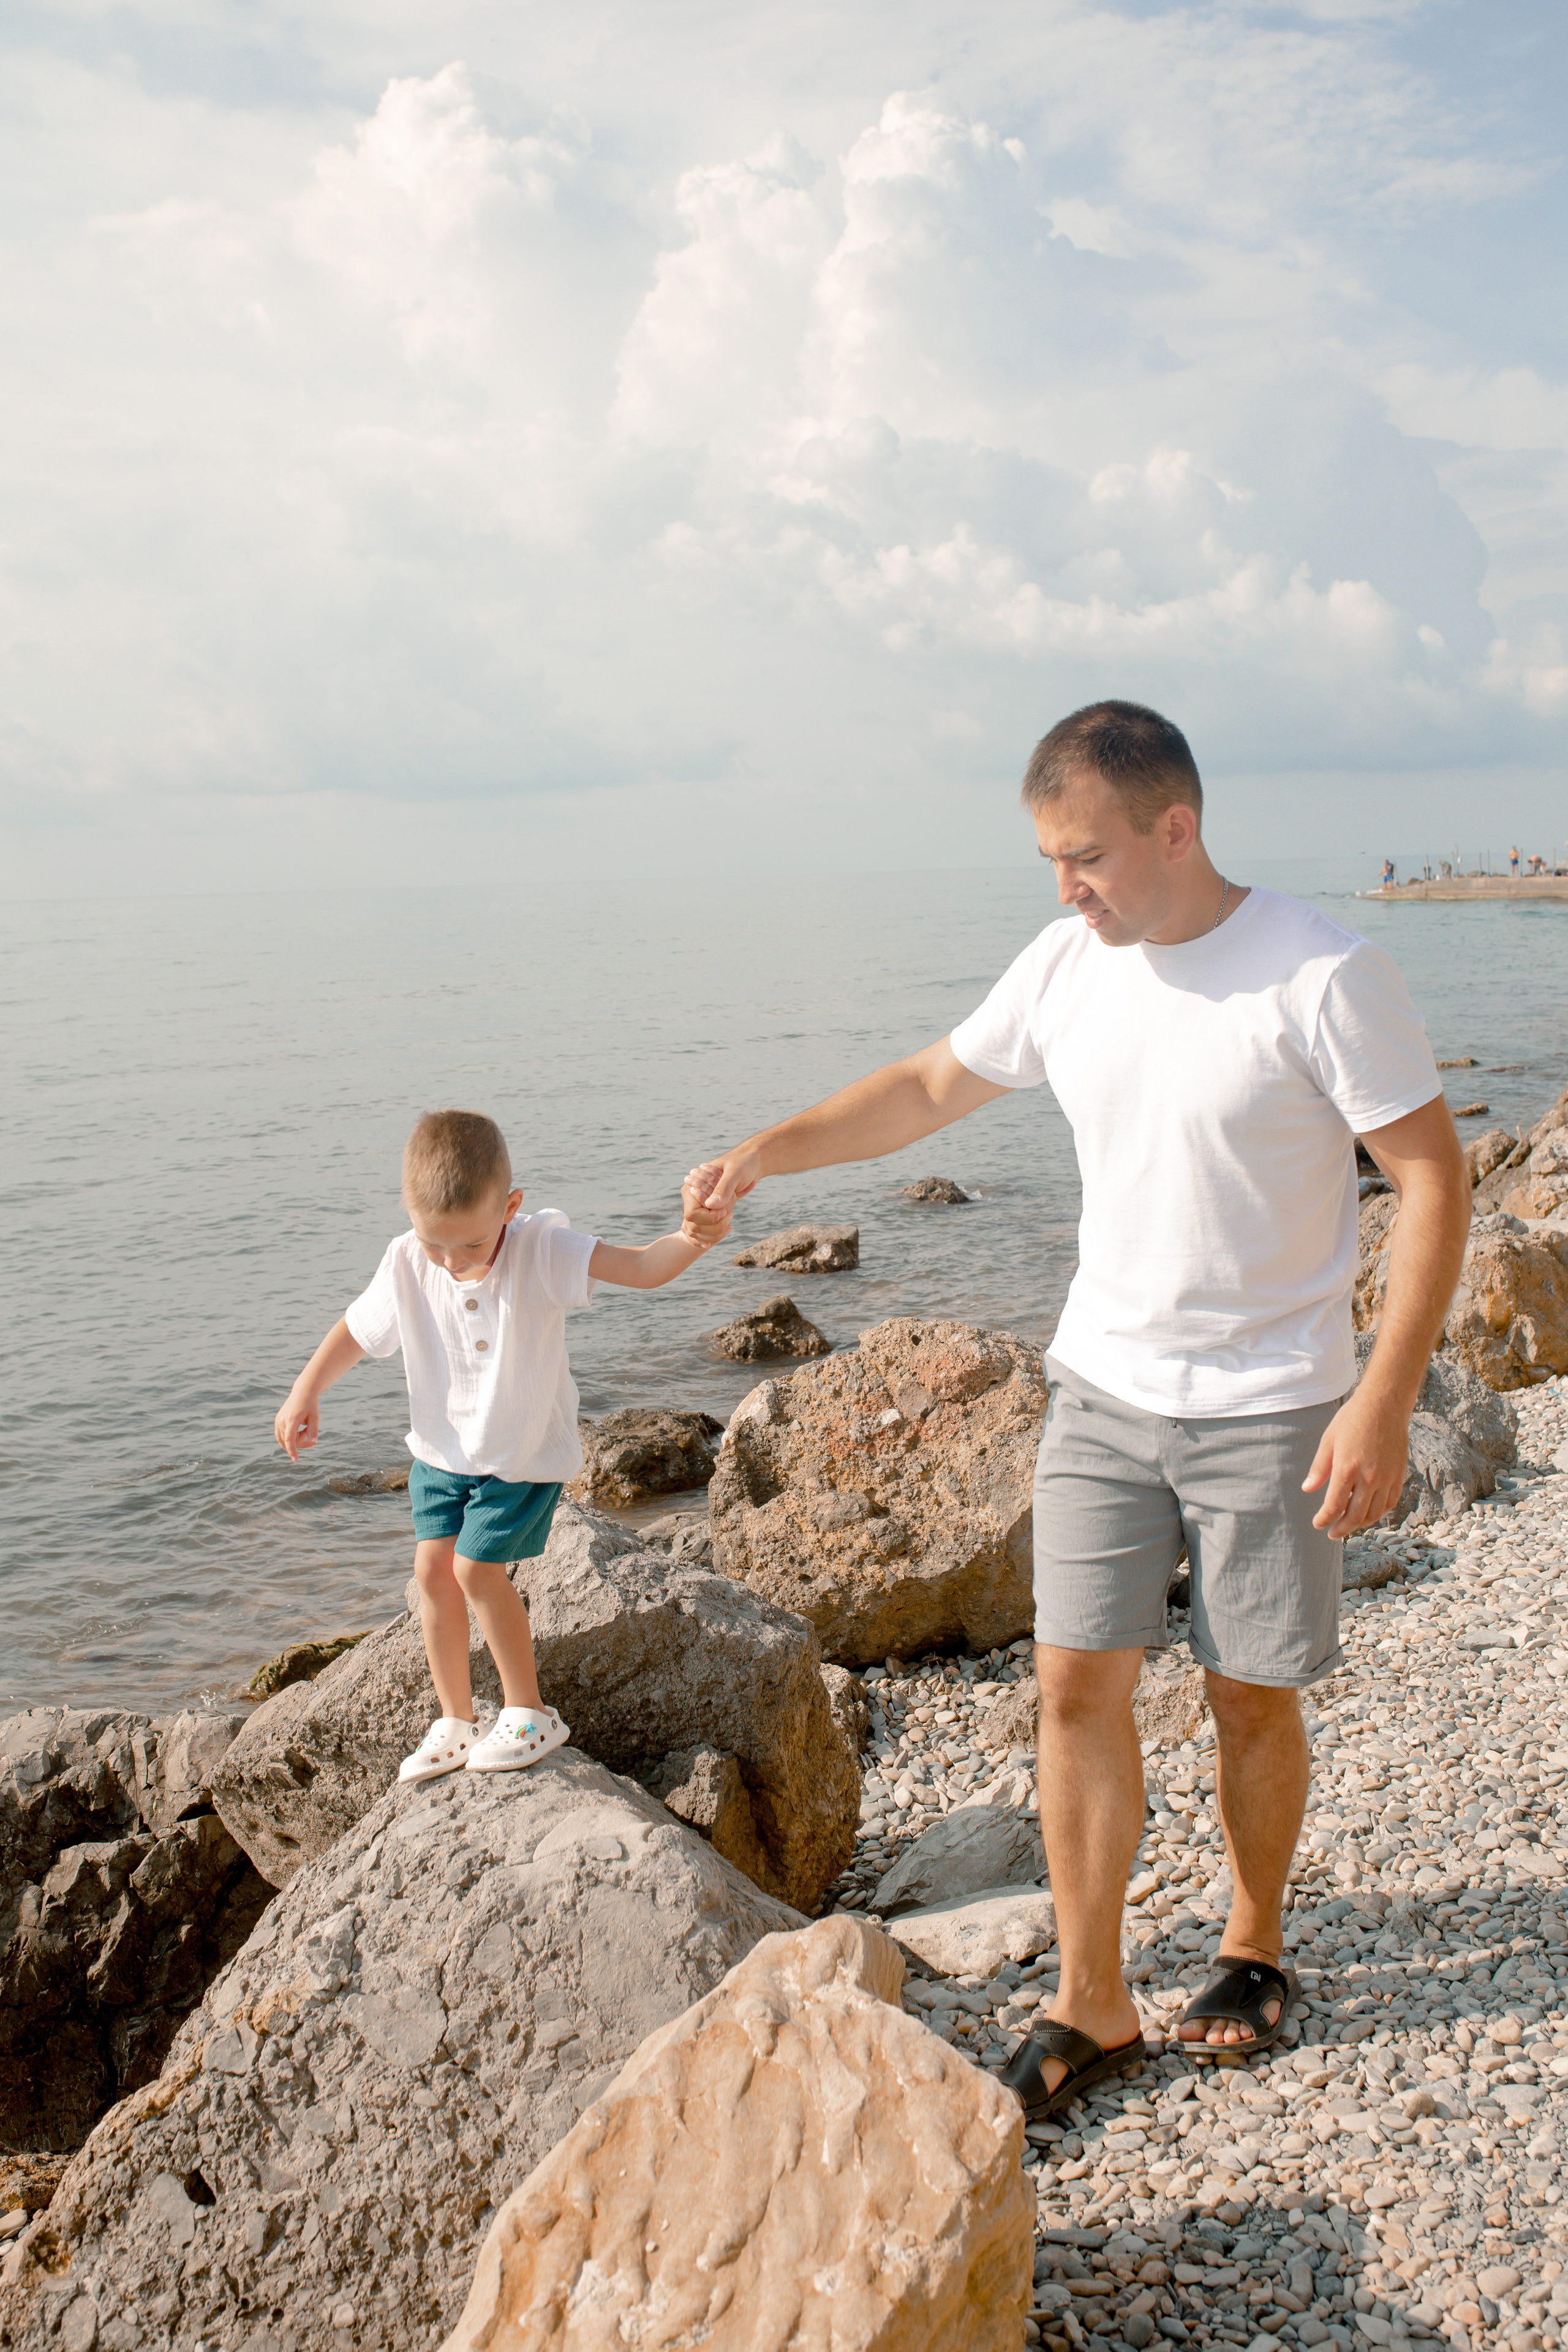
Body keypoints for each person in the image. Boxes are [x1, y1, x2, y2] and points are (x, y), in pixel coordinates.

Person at [686, 700, 1470, 2115]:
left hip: (1272, 1403)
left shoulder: (1319, 973)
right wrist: (772, 1149)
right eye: (1049, 857)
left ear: (1173, 826)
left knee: (1246, 1692)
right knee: (1070, 1685)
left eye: (1085, 855)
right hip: (1101, 1388)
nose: (1064, 887)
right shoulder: (1067, 959)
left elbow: (1428, 1177)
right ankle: (1089, 1997)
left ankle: (1247, 1941)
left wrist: (1382, 1394)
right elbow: (931, 1083)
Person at [275, 1109, 726, 1782]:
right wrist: (306, 1390)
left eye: (472, 1245)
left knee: (472, 1570)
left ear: (510, 1209)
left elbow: (639, 1267)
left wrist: (692, 1235)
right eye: (437, 1245)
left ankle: (529, 1711)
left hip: (518, 1455)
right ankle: (455, 1719)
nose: (453, 1263)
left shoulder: (542, 1248)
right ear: (410, 1216)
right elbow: (357, 1330)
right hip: (440, 1453)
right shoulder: (405, 1260)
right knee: (430, 1573)